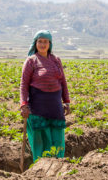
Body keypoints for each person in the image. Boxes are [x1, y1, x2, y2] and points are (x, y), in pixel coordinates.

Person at [20, 30, 70, 162]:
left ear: (50, 44)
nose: (43, 44)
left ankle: (58, 165)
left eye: (45, 41)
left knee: (57, 138)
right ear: (35, 43)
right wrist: (24, 105)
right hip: (37, 107)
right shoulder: (31, 61)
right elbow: (24, 85)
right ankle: (40, 167)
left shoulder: (56, 60)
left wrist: (67, 101)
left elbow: (63, 82)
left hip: (55, 106)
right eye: (40, 41)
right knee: (40, 139)